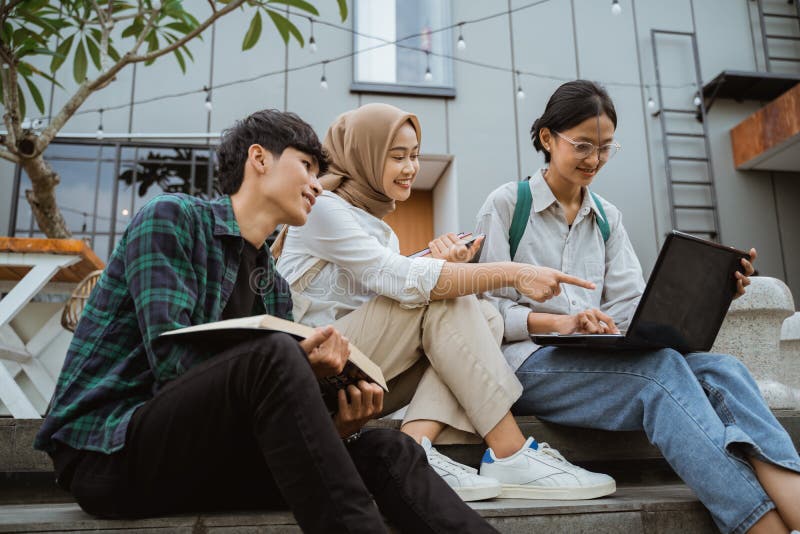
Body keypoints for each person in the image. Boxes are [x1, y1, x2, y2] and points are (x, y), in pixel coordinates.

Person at [34, 109, 500, 533]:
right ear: (259, 158)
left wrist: (334, 411)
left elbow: (266, 419)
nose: (318, 185)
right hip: (109, 455)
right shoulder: (173, 219)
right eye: (306, 167)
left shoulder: (270, 284)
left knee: (390, 450)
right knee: (276, 354)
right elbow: (172, 365)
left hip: (205, 463)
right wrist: (288, 365)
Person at [476, 79, 800, 533]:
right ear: (548, 139)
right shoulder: (509, 204)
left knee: (723, 369)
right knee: (660, 374)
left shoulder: (608, 218)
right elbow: (484, 312)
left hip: (598, 359)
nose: (595, 160)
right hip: (526, 364)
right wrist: (562, 321)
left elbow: (629, 307)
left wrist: (709, 294)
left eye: (606, 148)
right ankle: (762, 527)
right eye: (583, 146)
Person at [276, 102, 616, 502]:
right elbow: (401, 282)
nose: (411, 168)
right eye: (398, 156)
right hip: (312, 373)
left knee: (486, 315)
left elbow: (388, 283)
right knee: (442, 296)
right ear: (362, 155)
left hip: (358, 374)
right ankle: (509, 451)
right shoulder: (322, 210)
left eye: (416, 156)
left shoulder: (380, 230)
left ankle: (413, 450)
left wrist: (435, 263)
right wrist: (511, 272)